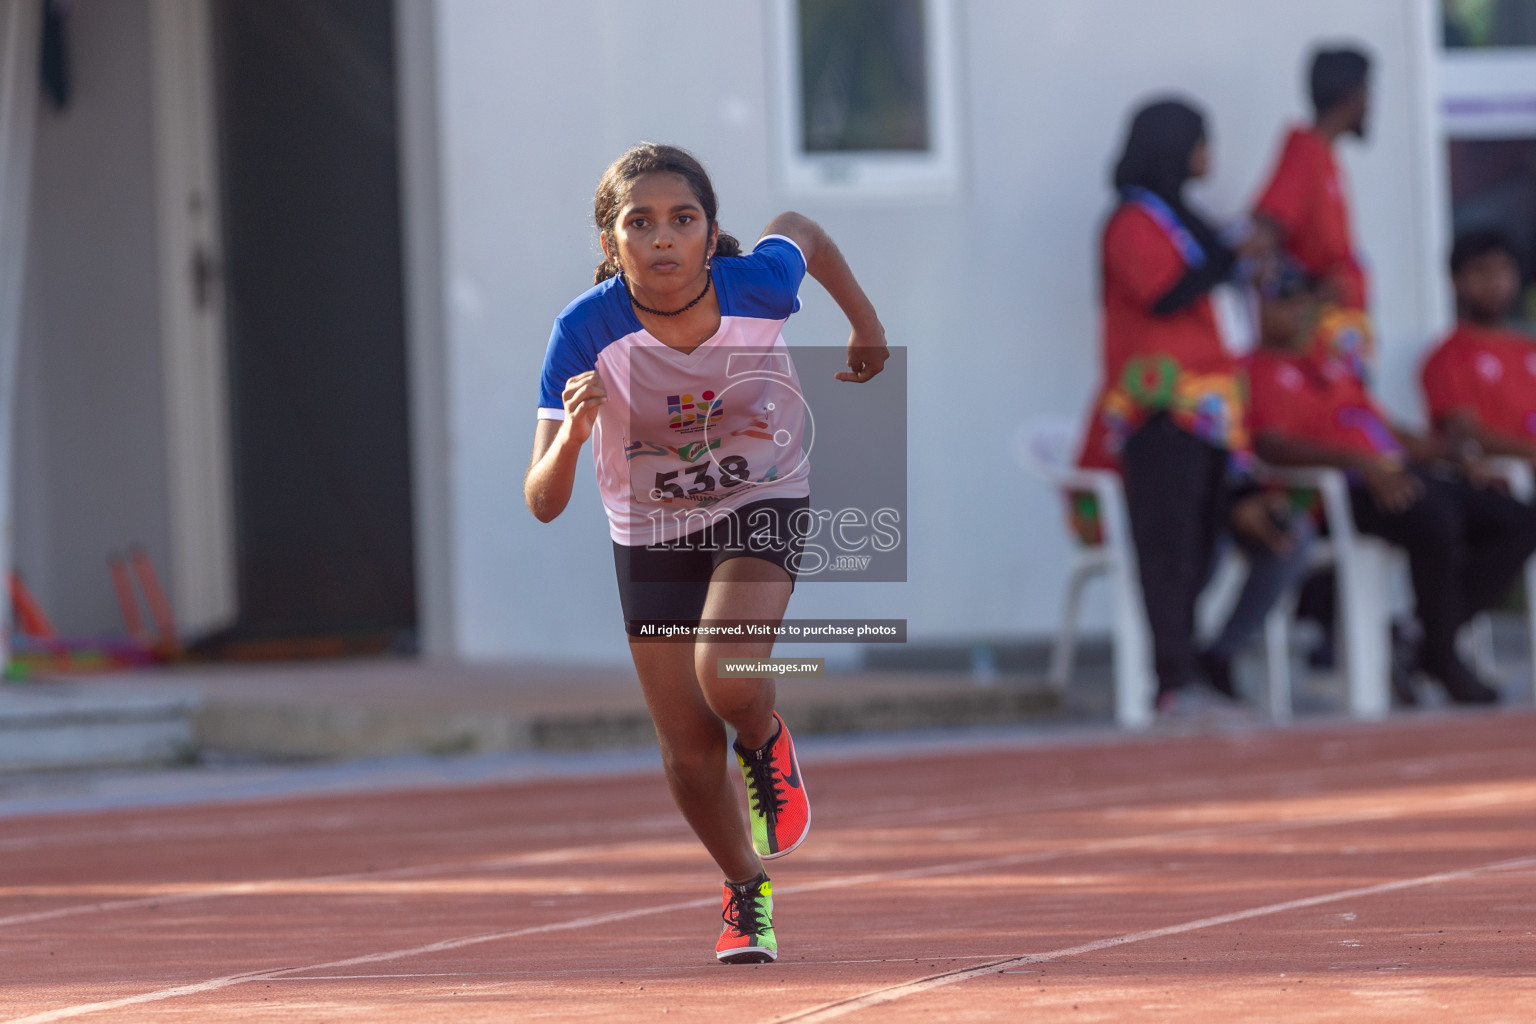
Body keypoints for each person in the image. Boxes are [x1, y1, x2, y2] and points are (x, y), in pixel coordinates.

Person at [524, 144, 888, 964]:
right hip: (649, 530)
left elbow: (804, 230)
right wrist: (574, 435)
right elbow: (542, 502)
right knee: (688, 756)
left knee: (724, 673)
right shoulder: (583, 332)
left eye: (682, 220)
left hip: (760, 496)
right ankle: (744, 888)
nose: (662, 239)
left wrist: (867, 327)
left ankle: (763, 740)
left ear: (709, 232)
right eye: (640, 223)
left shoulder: (758, 285)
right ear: (611, 244)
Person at [1246, 264, 1536, 705]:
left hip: (1390, 473)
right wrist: (1362, 463)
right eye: (1286, 304)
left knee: (1513, 518)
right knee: (1433, 520)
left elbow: (1384, 429)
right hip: (1335, 492)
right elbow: (1272, 448)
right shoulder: (1255, 371)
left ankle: (1421, 641)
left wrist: (1452, 453)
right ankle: (1441, 658)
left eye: (1306, 303)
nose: (1299, 314)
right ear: (1258, 311)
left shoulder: (1330, 367)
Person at [1082, 97, 1280, 711]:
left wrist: (1242, 255)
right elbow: (1164, 295)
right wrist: (1230, 258)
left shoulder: (1183, 217)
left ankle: (1192, 664)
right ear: (1172, 146)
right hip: (1161, 411)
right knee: (1168, 547)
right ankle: (1171, 680)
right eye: (1200, 143)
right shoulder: (1132, 220)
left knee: (1204, 544)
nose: (1208, 157)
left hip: (1212, 413)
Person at [1253, 46, 1374, 312]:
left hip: (1342, 333)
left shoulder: (1324, 154)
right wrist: (1302, 296)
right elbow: (1262, 235)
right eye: (1368, 92)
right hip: (1315, 339)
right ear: (1351, 95)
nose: (1370, 105)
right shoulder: (1305, 150)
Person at [1422, 229, 1536, 461]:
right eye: (1481, 270)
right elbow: (1464, 435)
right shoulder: (1446, 358)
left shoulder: (1528, 347)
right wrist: (1528, 452)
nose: (1495, 282)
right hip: (1499, 482)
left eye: (1504, 269)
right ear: (1455, 280)